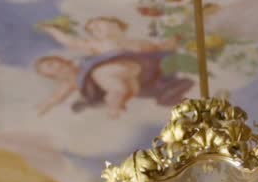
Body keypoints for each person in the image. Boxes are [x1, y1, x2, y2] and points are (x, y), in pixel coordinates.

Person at [36, 17, 194, 117]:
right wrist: (44, 107)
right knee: (112, 79)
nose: (55, 68)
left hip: (136, 68)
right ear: (53, 77)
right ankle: (116, 105)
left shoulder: (129, 43)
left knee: (108, 75)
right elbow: (57, 97)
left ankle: (117, 101)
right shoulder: (72, 79)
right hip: (121, 78)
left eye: (51, 64)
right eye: (49, 71)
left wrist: (180, 34)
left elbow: (161, 48)